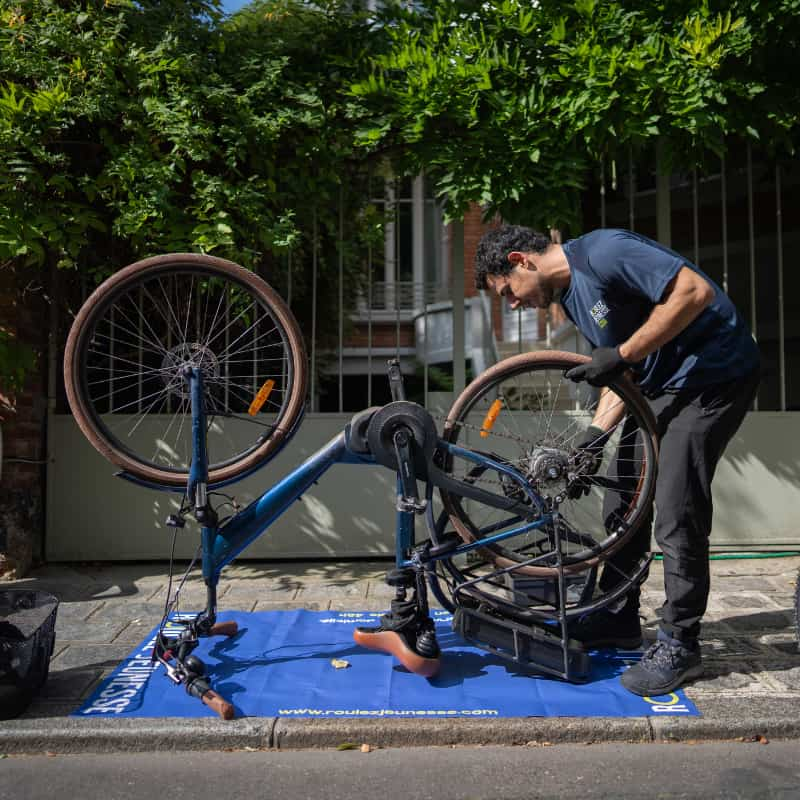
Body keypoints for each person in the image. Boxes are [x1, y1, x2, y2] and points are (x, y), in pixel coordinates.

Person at [474, 225, 761, 696]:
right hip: (664, 386)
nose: (513, 304)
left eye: (507, 292)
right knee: (625, 495)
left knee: (675, 507)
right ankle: (616, 617)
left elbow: (694, 290)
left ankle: (680, 642)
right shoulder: (570, 297)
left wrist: (624, 354)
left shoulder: (606, 252)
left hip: (714, 377)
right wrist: (591, 440)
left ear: (521, 261)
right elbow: (621, 372)